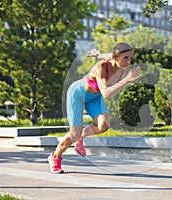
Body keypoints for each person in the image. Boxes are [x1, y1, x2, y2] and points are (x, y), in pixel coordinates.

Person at [48, 42, 141, 173]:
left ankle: (81, 136)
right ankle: (55, 157)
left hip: (94, 97)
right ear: (115, 57)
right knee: (74, 134)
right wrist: (126, 80)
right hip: (78, 95)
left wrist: (98, 54)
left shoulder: (121, 65)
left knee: (103, 125)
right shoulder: (101, 67)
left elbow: (108, 54)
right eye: (125, 58)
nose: (128, 61)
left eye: (130, 57)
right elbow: (106, 94)